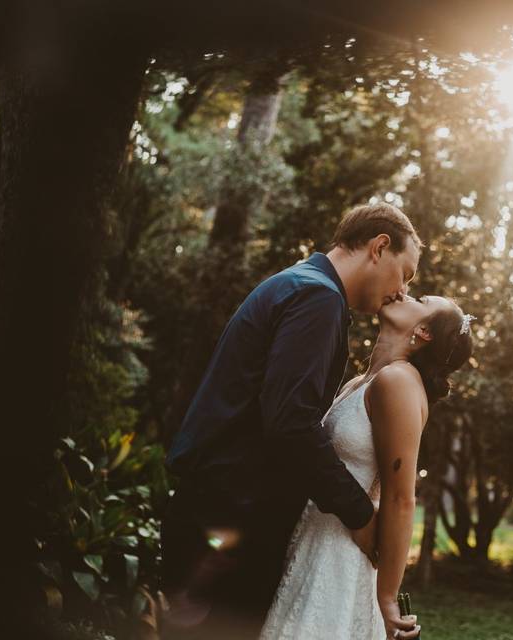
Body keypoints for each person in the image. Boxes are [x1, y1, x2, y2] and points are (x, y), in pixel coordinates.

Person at [160, 202, 421, 639]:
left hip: (216, 508)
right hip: (231, 519)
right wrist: (360, 515)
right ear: (379, 246)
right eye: (406, 273)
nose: (402, 290)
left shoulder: (300, 283)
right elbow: (291, 422)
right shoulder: (319, 299)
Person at [259, 293, 475, 640]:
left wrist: (387, 597)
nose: (403, 293)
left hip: (341, 558)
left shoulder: (399, 382)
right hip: (312, 541)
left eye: (420, 298)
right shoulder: (361, 382)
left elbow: (401, 498)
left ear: (424, 332)